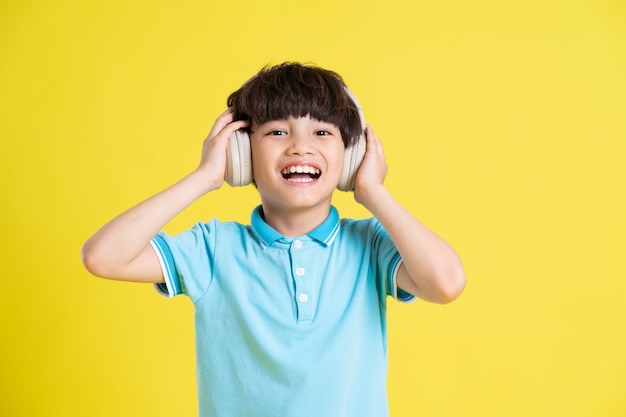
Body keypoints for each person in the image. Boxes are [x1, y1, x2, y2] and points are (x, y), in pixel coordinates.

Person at [82, 62, 465, 417]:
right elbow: (103, 257)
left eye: (322, 133)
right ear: (242, 153)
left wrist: (372, 191)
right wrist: (205, 177)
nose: (300, 147)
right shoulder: (213, 249)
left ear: (351, 156)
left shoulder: (370, 246)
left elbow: (447, 283)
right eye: (277, 132)